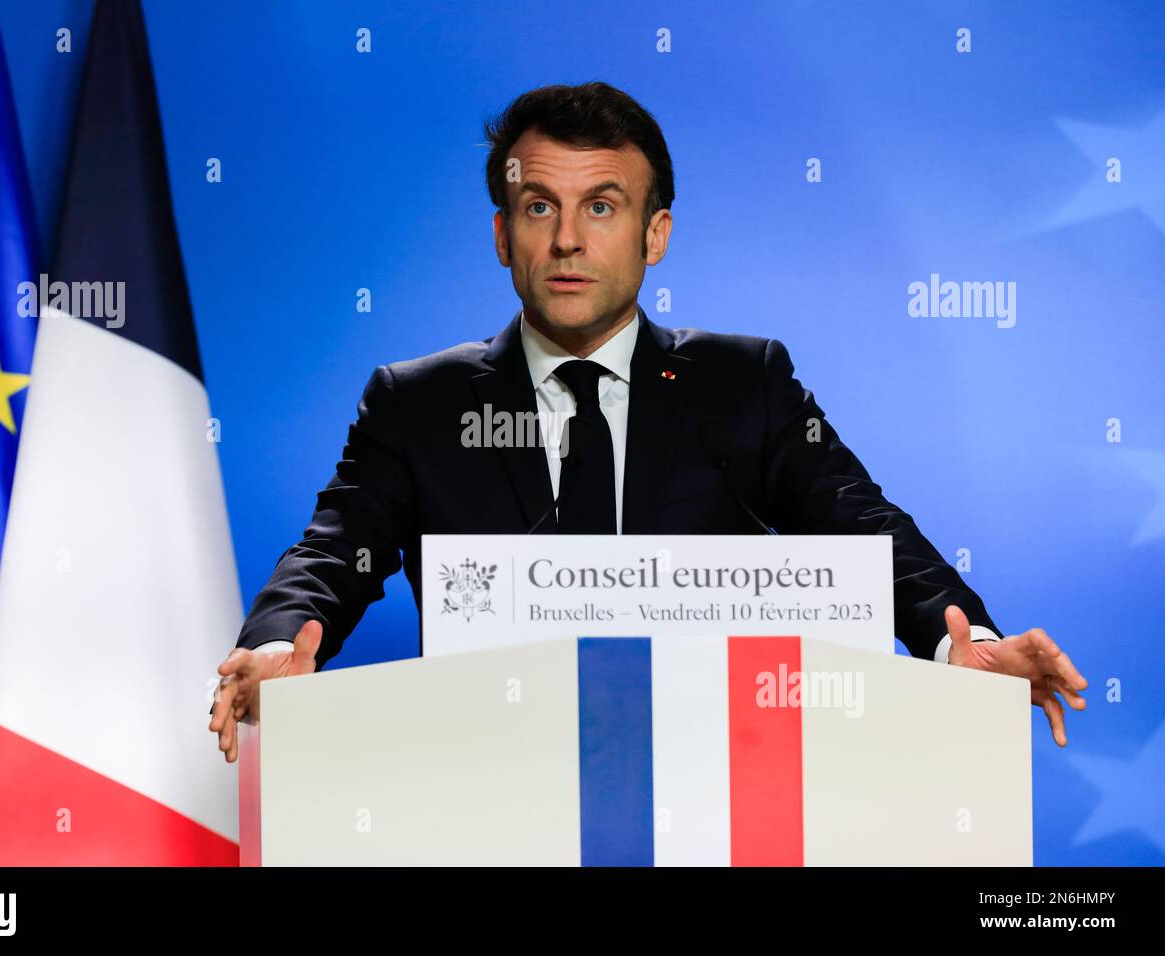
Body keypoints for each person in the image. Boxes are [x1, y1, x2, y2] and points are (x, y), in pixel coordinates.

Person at [210, 82, 1086, 763]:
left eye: (602, 206)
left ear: (654, 233)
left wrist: (960, 638)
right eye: (538, 206)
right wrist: (279, 643)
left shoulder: (746, 383)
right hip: (485, 784)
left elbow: (863, 524)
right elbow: (334, 549)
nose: (567, 241)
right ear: (502, 234)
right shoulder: (418, 402)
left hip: (720, 780)